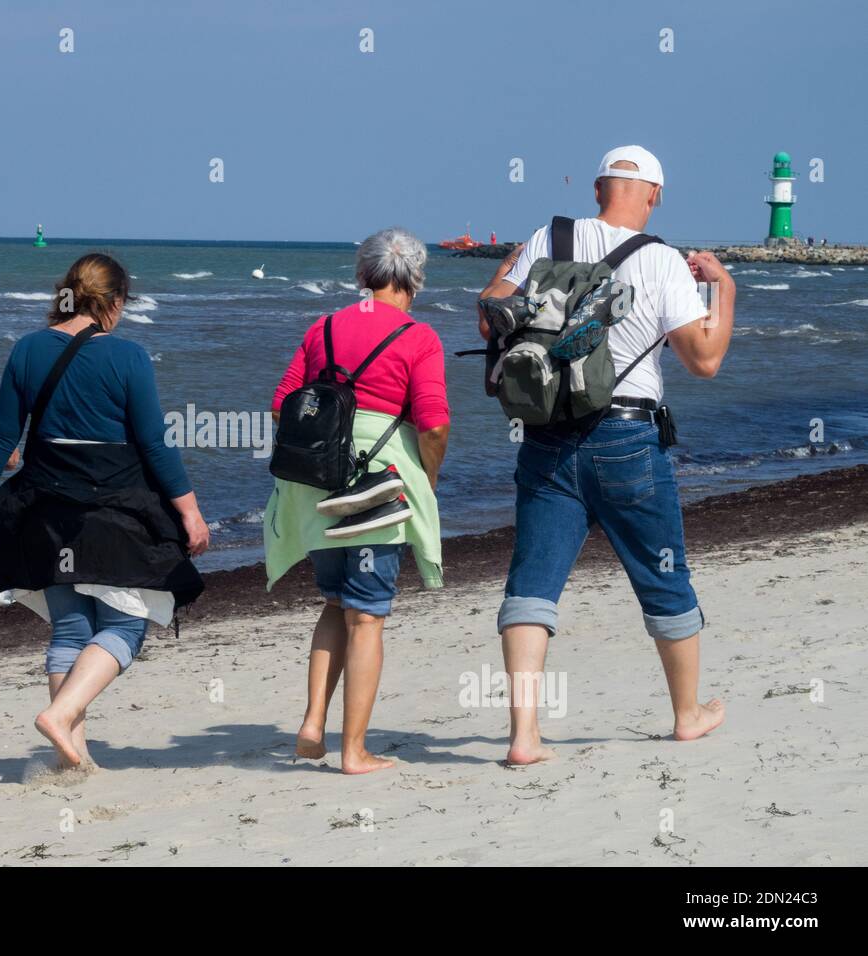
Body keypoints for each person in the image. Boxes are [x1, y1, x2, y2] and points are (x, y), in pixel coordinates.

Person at [478, 146, 735, 765]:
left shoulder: (549, 236)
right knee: (662, 573)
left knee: (533, 582)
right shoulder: (662, 260)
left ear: (598, 189)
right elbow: (704, 360)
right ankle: (687, 715)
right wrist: (723, 288)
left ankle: (523, 736)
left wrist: (516, 270)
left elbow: (490, 317)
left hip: (546, 434)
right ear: (655, 196)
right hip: (627, 439)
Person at [0, 253, 208, 769]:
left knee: (71, 630)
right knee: (127, 625)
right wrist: (189, 511)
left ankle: (72, 756)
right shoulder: (128, 357)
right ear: (114, 302)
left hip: (46, 512)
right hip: (113, 512)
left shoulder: (28, 350)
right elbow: (154, 444)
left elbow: (2, 432)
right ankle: (60, 717)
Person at [266, 228, 450, 774]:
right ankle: (353, 751)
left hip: (316, 481)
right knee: (366, 616)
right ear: (415, 279)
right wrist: (428, 478)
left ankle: (312, 723)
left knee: (335, 603)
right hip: (376, 485)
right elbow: (434, 424)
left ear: (362, 275)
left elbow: (282, 405)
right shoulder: (419, 337)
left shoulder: (322, 327)